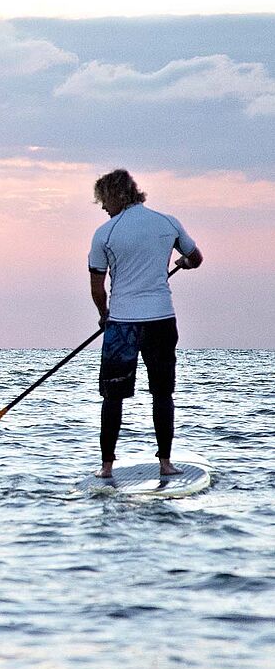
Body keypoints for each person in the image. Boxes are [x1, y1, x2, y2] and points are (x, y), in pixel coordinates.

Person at [87, 169, 203, 478]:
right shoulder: (167, 222)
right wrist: (183, 262)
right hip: (161, 321)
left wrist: (104, 314)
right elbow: (196, 257)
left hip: (123, 325)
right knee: (162, 394)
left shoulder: (105, 233)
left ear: (115, 195)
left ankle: (106, 467)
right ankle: (166, 463)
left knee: (113, 397)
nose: (102, 207)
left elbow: (97, 286)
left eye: (103, 200)